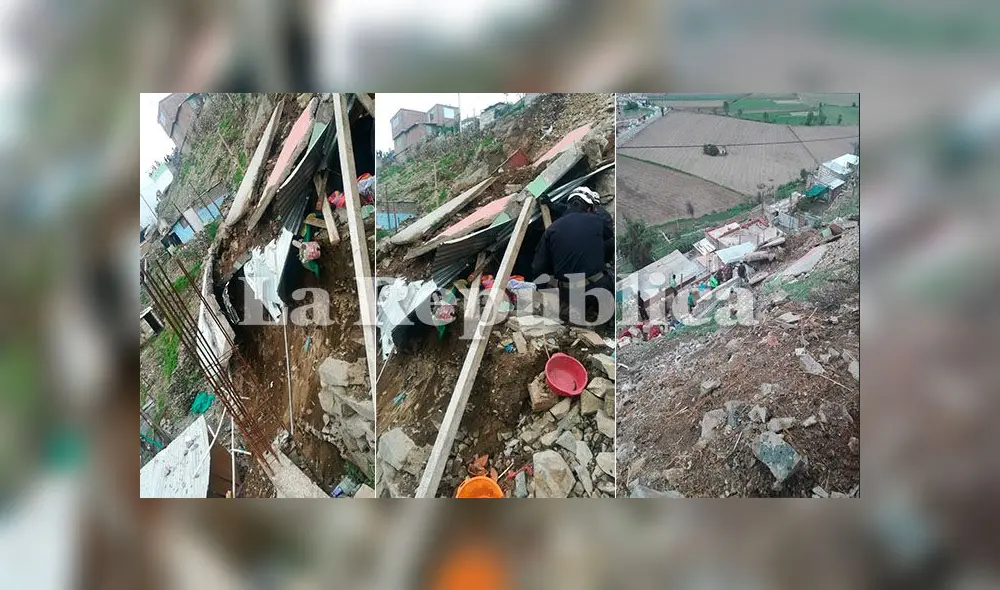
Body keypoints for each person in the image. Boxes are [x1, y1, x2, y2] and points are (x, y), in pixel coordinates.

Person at [533, 187, 615, 325]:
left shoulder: (551, 230)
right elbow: (609, 235)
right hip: (597, 287)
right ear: (590, 208)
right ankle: (610, 323)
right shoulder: (596, 221)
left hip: (569, 294)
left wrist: (544, 292)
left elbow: (538, 266)